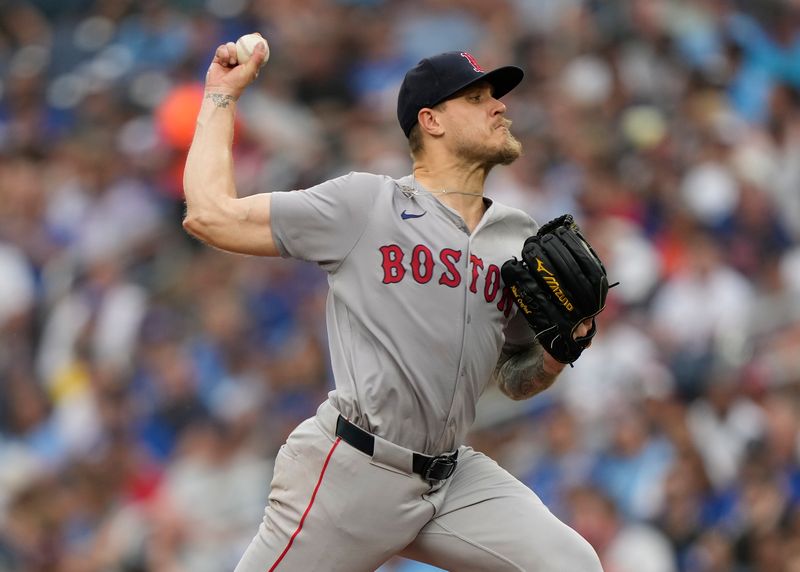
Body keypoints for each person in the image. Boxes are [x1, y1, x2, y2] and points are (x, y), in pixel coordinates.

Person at [183, 36, 603, 572]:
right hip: (356, 469)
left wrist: (557, 353)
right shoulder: (366, 204)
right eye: (477, 98)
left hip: (451, 481)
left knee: (573, 565)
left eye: (497, 97)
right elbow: (209, 214)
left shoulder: (517, 238)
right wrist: (220, 96)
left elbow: (516, 380)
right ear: (431, 121)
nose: (500, 106)